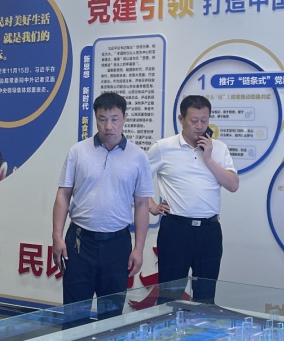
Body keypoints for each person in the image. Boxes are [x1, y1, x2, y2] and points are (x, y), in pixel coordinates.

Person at [51, 92, 153, 325]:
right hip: (80, 243)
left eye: (115, 119)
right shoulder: (78, 151)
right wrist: (57, 236)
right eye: (102, 119)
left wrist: (139, 248)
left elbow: (141, 204)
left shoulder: (138, 157)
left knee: (111, 317)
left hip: (117, 245)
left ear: (124, 118)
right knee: (74, 315)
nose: (109, 126)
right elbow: (63, 194)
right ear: (95, 119)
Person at [148, 95, 239, 304]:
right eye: (194, 120)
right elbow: (137, 180)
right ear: (181, 119)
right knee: (169, 296)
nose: (200, 126)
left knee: (206, 296)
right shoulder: (163, 148)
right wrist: (151, 206)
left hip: (209, 230)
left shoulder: (219, 148)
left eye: (204, 121)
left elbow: (233, 185)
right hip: (175, 230)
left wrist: (208, 158)